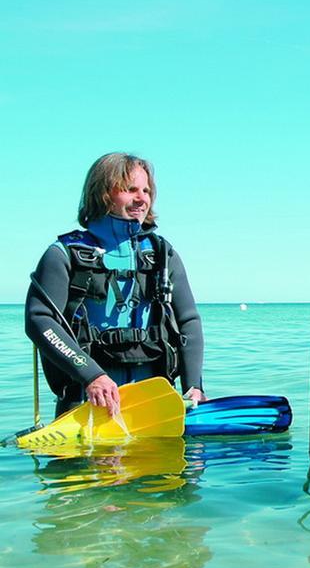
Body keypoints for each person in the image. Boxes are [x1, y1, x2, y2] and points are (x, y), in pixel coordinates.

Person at [25, 153, 205, 417]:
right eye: (130, 189)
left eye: (146, 190)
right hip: (86, 404)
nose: (142, 198)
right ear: (103, 193)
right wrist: (91, 375)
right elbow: (39, 320)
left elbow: (189, 320)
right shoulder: (63, 254)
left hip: (154, 405)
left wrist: (193, 386)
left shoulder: (162, 254)